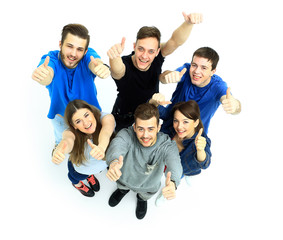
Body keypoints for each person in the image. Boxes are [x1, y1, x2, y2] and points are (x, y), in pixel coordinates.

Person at [107, 12, 203, 132]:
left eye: (151, 51)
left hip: (150, 116)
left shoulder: (157, 57)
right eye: (141, 49)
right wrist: (114, 57)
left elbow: (174, 41)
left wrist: (188, 24)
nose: (145, 56)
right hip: (123, 119)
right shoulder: (124, 63)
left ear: (157, 51)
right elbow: (117, 71)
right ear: (134, 46)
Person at [32, 24, 111, 146]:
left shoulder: (87, 57)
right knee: (62, 141)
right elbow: (47, 75)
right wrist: (42, 76)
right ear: (60, 44)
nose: (74, 54)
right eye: (69, 46)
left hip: (89, 115)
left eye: (79, 49)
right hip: (62, 118)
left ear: (85, 51)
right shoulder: (51, 58)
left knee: (92, 143)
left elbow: (95, 63)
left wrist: (102, 67)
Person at [105, 103, 182, 219]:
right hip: (124, 178)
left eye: (150, 129)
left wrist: (173, 183)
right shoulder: (126, 134)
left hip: (148, 186)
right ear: (134, 127)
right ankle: (122, 191)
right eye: (141, 129)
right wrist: (113, 162)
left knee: (145, 195)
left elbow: (174, 162)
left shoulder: (166, 145)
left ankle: (141, 199)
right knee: (122, 186)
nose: (145, 135)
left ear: (158, 128)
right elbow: (117, 145)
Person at [153, 47, 242, 134]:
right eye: (194, 65)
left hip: (193, 138)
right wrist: (169, 75)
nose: (196, 71)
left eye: (204, 68)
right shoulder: (186, 70)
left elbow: (230, 102)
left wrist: (234, 105)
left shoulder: (218, 86)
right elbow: (162, 77)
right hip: (167, 128)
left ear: (212, 71)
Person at [52, 99, 115, 197]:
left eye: (86, 115)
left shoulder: (106, 118)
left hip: (97, 166)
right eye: (78, 121)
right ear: (74, 126)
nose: (86, 123)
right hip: (80, 170)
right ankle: (77, 185)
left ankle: (90, 176)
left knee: (88, 173)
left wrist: (101, 147)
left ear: (92, 112)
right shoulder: (70, 132)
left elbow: (106, 131)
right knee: (74, 177)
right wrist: (60, 150)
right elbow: (67, 140)